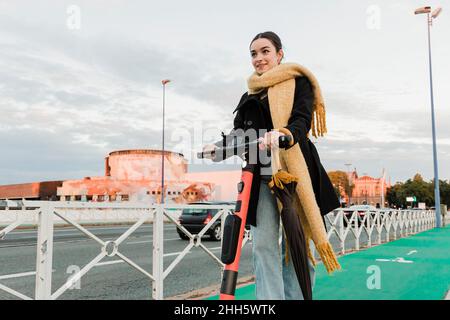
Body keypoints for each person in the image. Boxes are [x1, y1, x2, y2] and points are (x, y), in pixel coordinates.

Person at [203, 31, 340, 300]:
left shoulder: (298, 83)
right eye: (253, 54)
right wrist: (217, 148)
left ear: (279, 54)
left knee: (296, 246)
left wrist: (284, 134)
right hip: (261, 177)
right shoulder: (248, 96)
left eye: (265, 51)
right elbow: (239, 135)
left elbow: (302, 121)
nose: (259, 58)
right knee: (263, 246)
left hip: (295, 176)